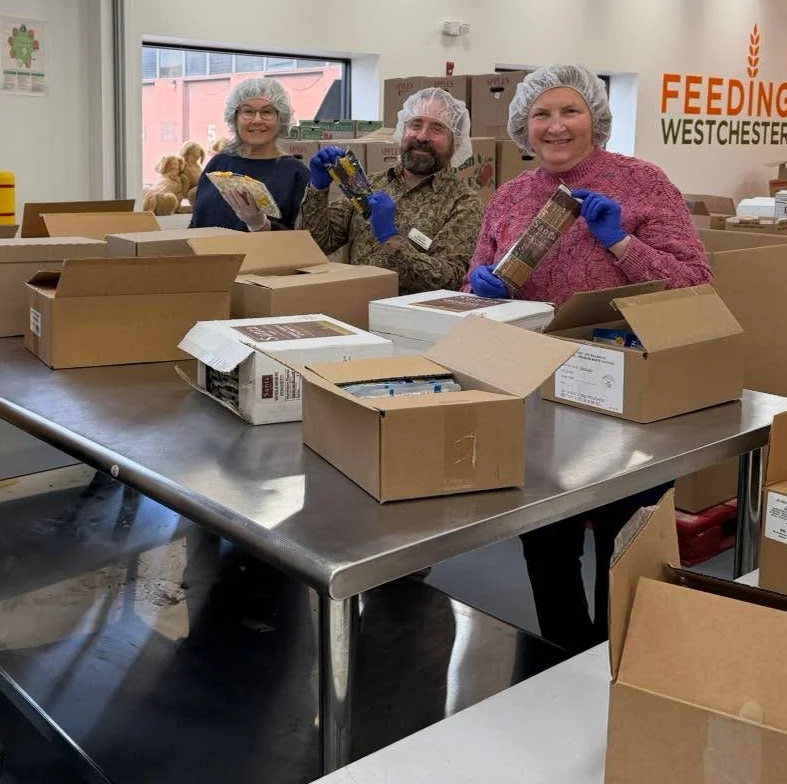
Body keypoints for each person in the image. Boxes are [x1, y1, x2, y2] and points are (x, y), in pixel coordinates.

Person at [464, 63, 713, 655]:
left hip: (626, 397)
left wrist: (620, 242)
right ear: (524, 127)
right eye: (540, 114)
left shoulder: (641, 182)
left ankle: (626, 663)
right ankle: (562, 663)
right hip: (537, 396)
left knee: (626, 544)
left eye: (568, 111)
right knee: (545, 543)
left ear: (594, 119)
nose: (555, 126)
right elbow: (473, 277)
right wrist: (477, 284)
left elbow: (697, 284)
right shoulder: (511, 195)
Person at [300, 87, 484, 294]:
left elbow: (450, 279)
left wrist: (390, 239)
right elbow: (318, 245)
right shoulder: (368, 185)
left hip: (411, 320)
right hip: (352, 307)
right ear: (402, 130)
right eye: (415, 124)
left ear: (455, 142)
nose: (422, 136)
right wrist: (318, 188)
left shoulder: (463, 202)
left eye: (437, 128)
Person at [190, 76, 309, 231]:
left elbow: (304, 242)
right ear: (235, 117)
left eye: (267, 112)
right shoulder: (219, 163)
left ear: (281, 119)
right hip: (210, 254)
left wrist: (261, 225)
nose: (257, 120)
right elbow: (197, 223)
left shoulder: (295, 173)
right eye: (248, 111)